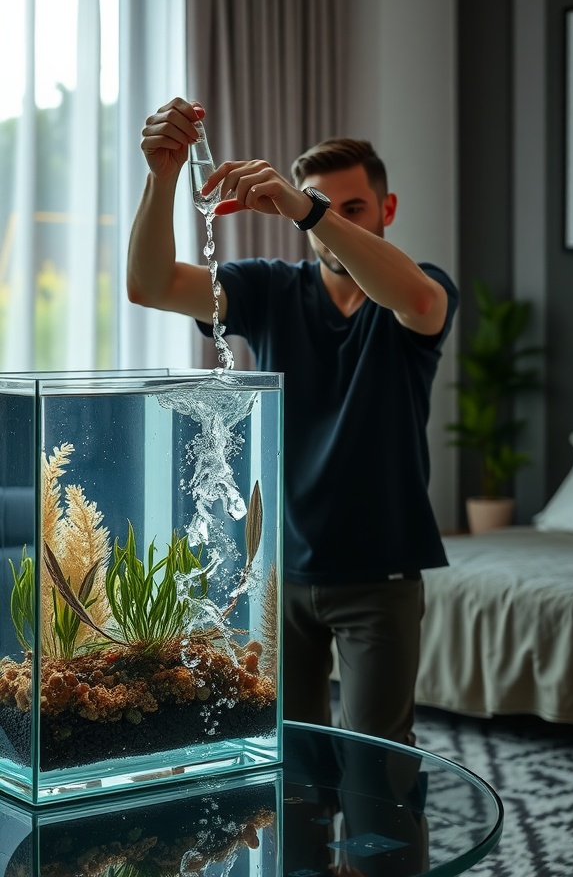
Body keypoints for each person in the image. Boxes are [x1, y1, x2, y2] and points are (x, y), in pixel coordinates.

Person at [127, 96, 459, 747]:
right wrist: (162, 175)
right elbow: (152, 285)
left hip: (380, 577)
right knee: (291, 767)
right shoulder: (270, 289)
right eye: (317, 205)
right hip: (282, 572)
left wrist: (308, 207)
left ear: (386, 211)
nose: (331, 220)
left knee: (380, 766)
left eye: (351, 208)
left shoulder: (411, 287)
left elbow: (418, 300)